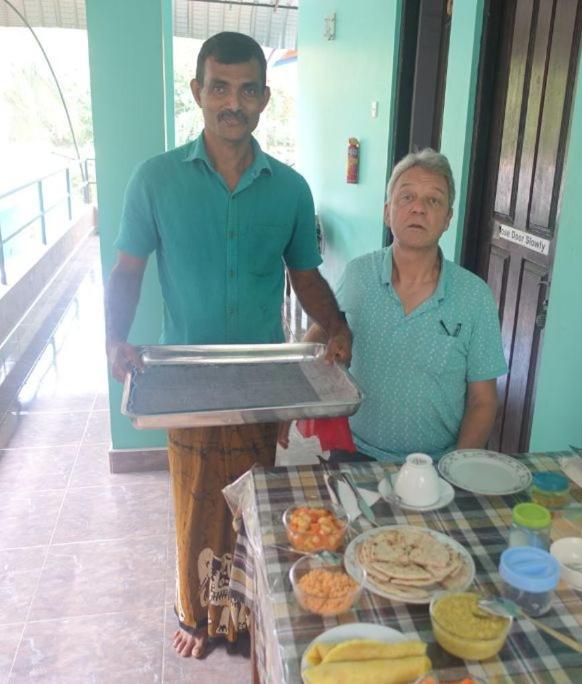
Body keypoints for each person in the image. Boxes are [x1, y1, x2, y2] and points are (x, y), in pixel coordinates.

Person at [104, 32, 350, 659]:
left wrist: (338, 324)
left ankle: (245, 612)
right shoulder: (155, 180)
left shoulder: (290, 189)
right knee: (195, 502)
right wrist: (114, 336)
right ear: (198, 92)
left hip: (261, 377)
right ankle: (196, 613)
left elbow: (306, 275)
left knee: (255, 498)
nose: (231, 102)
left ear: (265, 99)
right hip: (184, 376)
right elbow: (128, 269)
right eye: (219, 87)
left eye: (246, 90)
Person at [290, 149, 507, 463]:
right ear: (387, 211)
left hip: (435, 463)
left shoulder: (474, 296)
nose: (418, 208)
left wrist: (457, 469)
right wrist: (291, 390)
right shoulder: (359, 274)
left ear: (448, 219)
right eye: (406, 197)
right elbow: (323, 332)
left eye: (434, 200)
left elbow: (483, 401)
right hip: (355, 453)